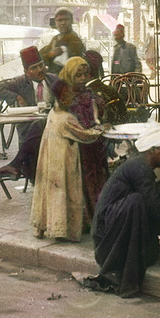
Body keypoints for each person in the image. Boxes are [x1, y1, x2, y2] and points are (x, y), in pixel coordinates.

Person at [90, 128, 160, 297]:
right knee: (135, 201)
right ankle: (124, 266)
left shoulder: (140, 165)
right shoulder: (140, 167)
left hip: (109, 228)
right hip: (106, 239)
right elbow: (155, 209)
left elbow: (157, 204)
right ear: (153, 151)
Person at [31, 80, 107, 242]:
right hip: (64, 161)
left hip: (51, 160)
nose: (73, 98)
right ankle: (66, 231)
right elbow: (85, 135)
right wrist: (101, 129)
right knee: (67, 193)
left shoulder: (53, 113)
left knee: (49, 194)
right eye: (70, 95)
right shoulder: (66, 118)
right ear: (63, 97)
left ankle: (44, 227)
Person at [0, 46, 59, 182]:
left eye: (41, 65)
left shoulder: (53, 80)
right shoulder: (19, 82)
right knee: (36, 128)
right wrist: (16, 97)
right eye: (34, 68)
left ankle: (16, 166)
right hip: (28, 129)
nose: (39, 70)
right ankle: (33, 179)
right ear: (26, 72)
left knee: (41, 126)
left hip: (53, 127)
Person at [59, 57, 111, 224]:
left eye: (84, 75)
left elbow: (96, 116)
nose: (82, 79)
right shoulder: (66, 98)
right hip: (78, 145)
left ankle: (100, 215)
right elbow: (75, 123)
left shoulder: (88, 94)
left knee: (98, 177)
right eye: (77, 75)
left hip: (93, 143)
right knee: (84, 181)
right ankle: (88, 218)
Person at [40, 7, 87, 74]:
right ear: (56, 22)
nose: (63, 23)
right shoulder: (55, 39)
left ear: (71, 21)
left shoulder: (74, 39)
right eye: (59, 20)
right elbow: (42, 57)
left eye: (66, 19)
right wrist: (50, 54)